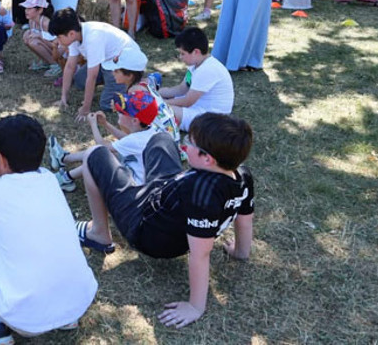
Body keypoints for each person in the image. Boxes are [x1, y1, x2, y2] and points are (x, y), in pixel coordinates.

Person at [73, 113, 254, 328]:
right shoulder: (242, 176)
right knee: (161, 139)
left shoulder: (201, 195)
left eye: (190, 143)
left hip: (143, 226)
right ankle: (136, 177)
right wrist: (241, 252)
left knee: (94, 154)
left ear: (208, 159)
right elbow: (244, 219)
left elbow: (200, 253)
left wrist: (196, 306)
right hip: (167, 194)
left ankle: (99, 234)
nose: (185, 145)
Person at [0, 114, 97, 343]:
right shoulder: (49, 178)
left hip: (25, 319)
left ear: (0, 158)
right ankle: (66, 320)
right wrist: (1, 170)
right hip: (78, 302)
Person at [48, 90, 162, 193]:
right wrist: (105, 124)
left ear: (134, 121)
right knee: (112, 154)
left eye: (122, 112)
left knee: (98, 157)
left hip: (132, 188)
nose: (118, 112)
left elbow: (101, 146)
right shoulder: (148, 131)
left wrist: (93, 124)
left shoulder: (136, 140)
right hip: (138, 179)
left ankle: (65, 179)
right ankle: (64, 158)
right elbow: (125, 139)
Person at [48, 8, 140, 120]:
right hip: (106, 61)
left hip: (124, 65)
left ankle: (139, 84)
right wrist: (64, 97)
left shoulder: (93, 38)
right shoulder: (75, 35)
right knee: (79, 80)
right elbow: (70, 66)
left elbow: (92, 76)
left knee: (107, 104)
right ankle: (113, 83)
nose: (57, 40)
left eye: (59, 37)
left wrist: (86, 109)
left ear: (71, 34)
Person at [159, 27, 234, 131]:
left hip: (210, 120)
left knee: (160, 110)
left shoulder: (207, 70)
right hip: (199, 108)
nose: (180, 57)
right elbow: (182, 88)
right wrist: (156, 93)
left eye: (183, 53)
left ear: (196, 52)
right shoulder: (196, 64)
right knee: (161, 103)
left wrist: (160, 102)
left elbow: (187, 101)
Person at [20, 0, 63, 77]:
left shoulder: (46, 23)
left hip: (59, 52)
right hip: (51, 49)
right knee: (27, 36)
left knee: (34, 42)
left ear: (40, 10)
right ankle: (45, 60)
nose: (26, 11)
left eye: (29, 8)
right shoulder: (31, 21)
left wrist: (40, 36)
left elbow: (58, 45)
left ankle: (55, 65)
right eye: (26, 8)